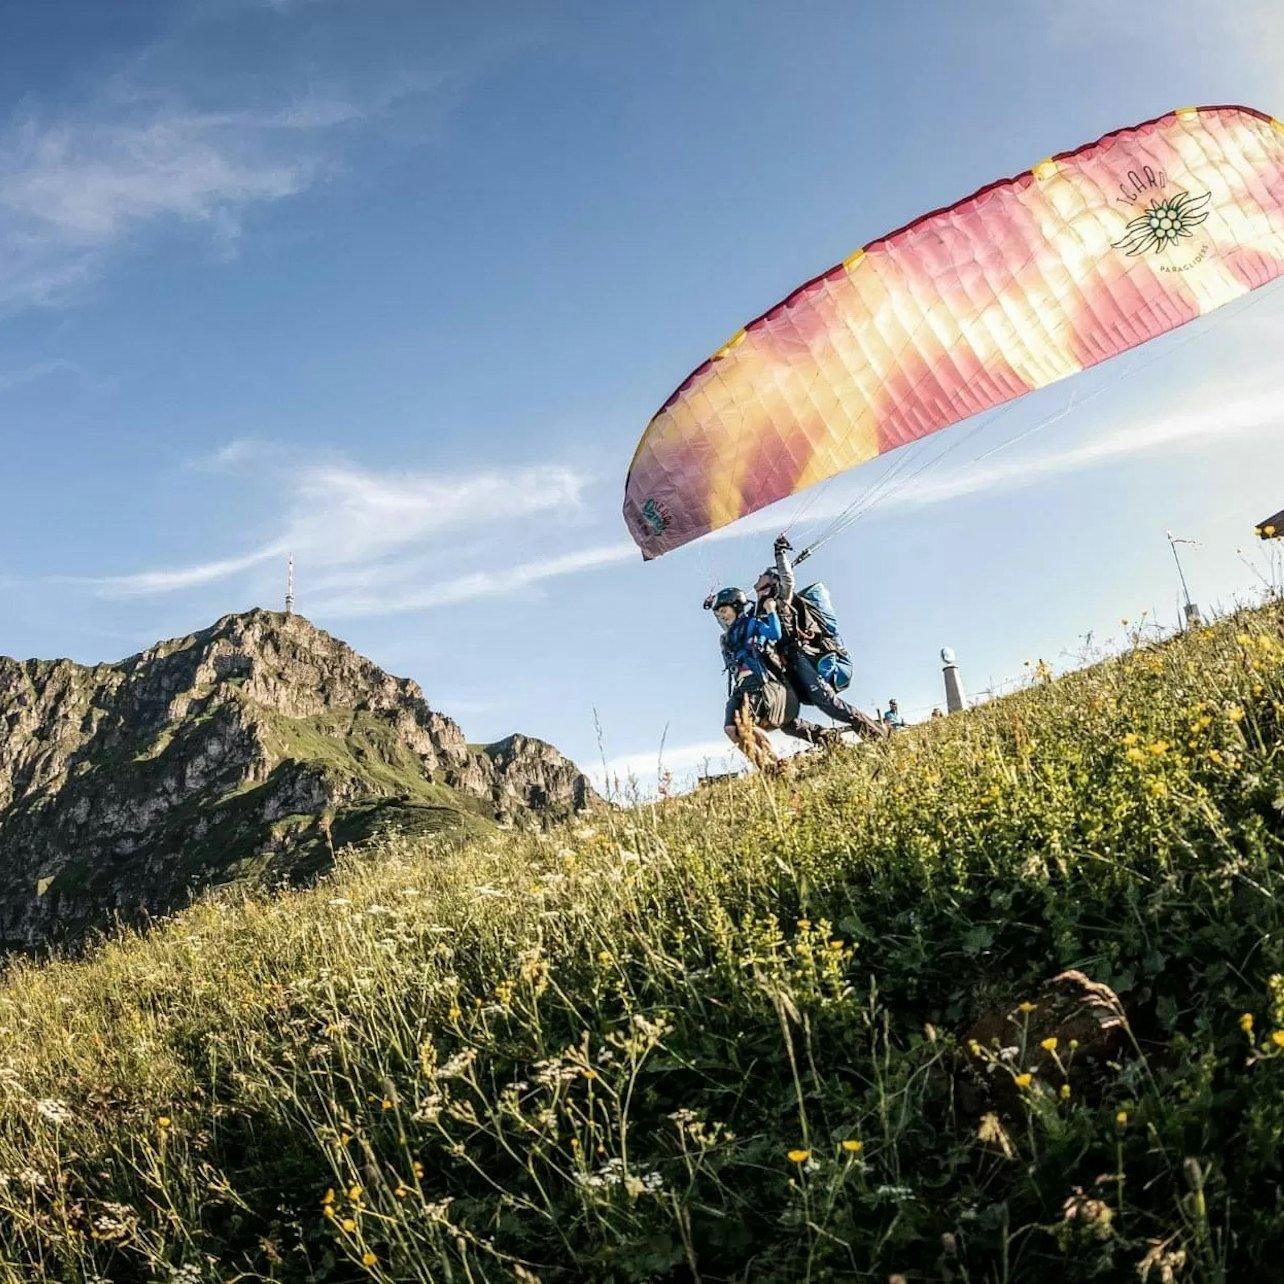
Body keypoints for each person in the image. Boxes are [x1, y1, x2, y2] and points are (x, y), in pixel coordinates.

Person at [753, 537, 887, 742]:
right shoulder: (758, 615)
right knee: (783, 718)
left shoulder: (781, 602)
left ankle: (877, 734)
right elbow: (734, 628)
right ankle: (828, 739)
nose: (757, 577)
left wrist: (779, 553)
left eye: (762, 577)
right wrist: (718, 609)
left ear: (772, 584)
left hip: (799, 658)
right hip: (785, 668)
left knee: (829, 704)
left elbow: (787, 578)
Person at [705, 587, 837, 762]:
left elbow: (774, 633)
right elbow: (723, 621)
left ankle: (776, 765)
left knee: (750, 725)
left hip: (758, 681)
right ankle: (765, 768)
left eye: (724, 611)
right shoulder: (730, 635)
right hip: (740, 686)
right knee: (731, 729)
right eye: (719, 613)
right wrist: (711, 605)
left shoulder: (752, 624)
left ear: (736, 607)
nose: (722, 616)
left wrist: (770, 610)